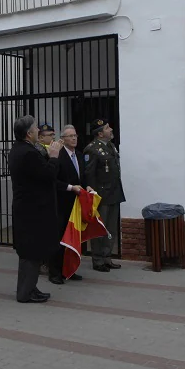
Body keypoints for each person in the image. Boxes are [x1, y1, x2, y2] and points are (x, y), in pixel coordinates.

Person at [8, 115, 62, 303]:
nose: (39, 131)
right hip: (32, 210)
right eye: (35, 129)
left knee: (32, 252)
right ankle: (25, 293)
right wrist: (54, 157)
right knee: (31, 253)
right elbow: (48, 175)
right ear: (29, 133)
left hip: (28, 208)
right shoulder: (28, 153)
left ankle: (30, 287)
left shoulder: (20, 149)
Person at [83, 119, 125, 272]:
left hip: (114, 193)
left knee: (111, 228)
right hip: (101, 195)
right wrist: (93, 195)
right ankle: (98, 260)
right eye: (108, 128)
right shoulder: (92, 149)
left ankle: (107, 257)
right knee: (100, 228)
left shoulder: (111, 146)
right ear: (100, 133)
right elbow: (89, 174)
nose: (111, 129)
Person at [49, 124, 88, 284]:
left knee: (73, 238)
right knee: (60, 238)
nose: (74, 138)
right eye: (70, 136)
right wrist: (71, 188)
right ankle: (55, 272)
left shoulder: (79, 155)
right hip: (62, 203)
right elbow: (53, 180)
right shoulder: (58, 156)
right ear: (63, 139)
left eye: (75, 135)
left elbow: (82, 177)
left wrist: (88, 186)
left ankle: (69, 270)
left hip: (76, 204)